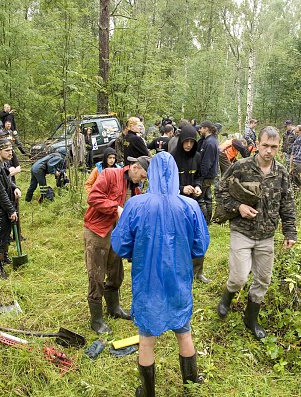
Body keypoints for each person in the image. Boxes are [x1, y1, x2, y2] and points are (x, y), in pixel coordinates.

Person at [111, 152, 210, 396]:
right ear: (175, 174)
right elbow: (200, 245)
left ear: (152, 173)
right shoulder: (190, 205)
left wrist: (136, 252)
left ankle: (147, 391)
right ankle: (191, 382)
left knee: (146, 337)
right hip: (178, 277)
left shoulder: (136, 204)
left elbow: (121, 244)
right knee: (184, 331)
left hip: (147, 280)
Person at [216, 126, 297, 339]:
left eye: (274, 147)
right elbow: (221, 190)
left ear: (278, 147)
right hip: (242, 231)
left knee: (263, 279)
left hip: (267, 235)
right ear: (257, 145)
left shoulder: (281, 172)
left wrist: (290, 233)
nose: (269, 151)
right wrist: (238, 207)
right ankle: (227, 297)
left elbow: (287, 203)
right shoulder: (241, 167)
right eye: (265, 145)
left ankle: (250, 318)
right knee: (239, 276)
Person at [83, 155, 149, 334]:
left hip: (117, 234)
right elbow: (94, 197)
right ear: (134, 167)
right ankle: (96, 320)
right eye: (142, 176)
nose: (143, 180)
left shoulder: (135, 189)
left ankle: (114, 308)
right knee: (97, 275)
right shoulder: (110, 174)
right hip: (97, 230)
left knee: (116, 271)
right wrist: (115, 207)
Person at [171, 125, 213, 284]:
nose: (188, 145)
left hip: (194, 204)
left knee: (198, 236)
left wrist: (198, 187)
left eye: (191, 142)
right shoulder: (173, 157)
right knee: (179, 238)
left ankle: (198, 272)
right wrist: (181, 189)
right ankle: (179, 271)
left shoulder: (197, 156)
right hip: (176, 204)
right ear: (181, 141)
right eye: (186, 141)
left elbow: (200, 177)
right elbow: (167, 181)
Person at [0, 139, 22, 280]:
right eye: (7, 150)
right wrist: (11, 210)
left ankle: (5, 258)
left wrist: (15, 188)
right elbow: (0, 192)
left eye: (11, 150)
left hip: (6, 206)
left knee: (6, 234)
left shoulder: (3, 164)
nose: (10, 153)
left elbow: (8, 182)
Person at [197, 120, 219, 224]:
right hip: (210, 174)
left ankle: (205, 221)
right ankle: (208, 221)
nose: (199, 130)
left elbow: (207, 162)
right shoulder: (210, 140)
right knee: (207, 198)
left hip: (206, 175)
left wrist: (201, 176)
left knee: (201, 199)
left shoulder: (210, 142)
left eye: (201, 128)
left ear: (206, 128)